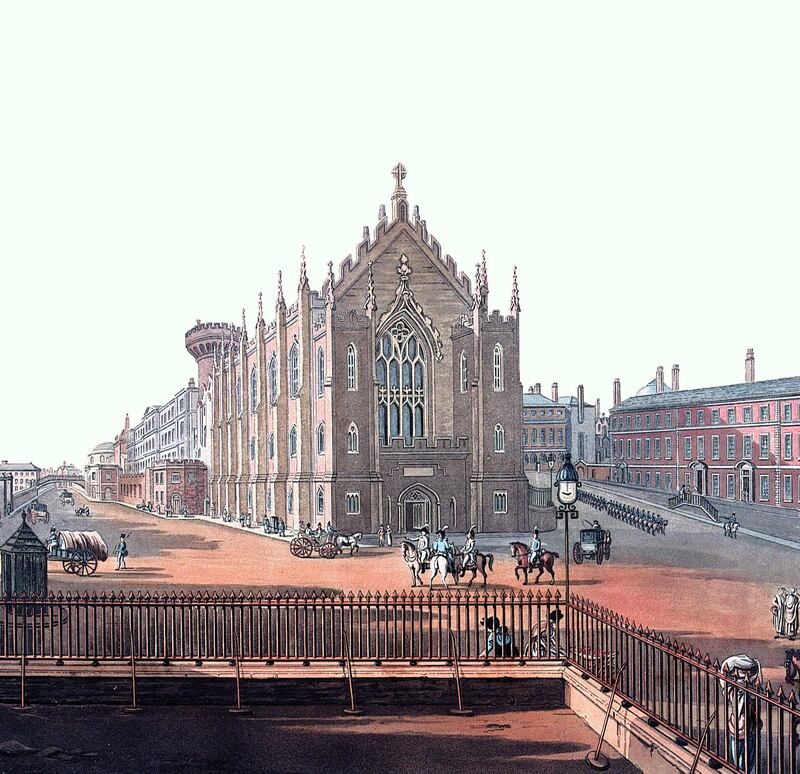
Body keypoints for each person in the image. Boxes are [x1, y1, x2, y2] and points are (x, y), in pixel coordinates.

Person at [720, 654, 762, 773]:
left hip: (750, 730)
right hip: (736, 729)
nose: (745, 676)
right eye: (742, 672)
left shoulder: (752, 690)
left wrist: (757, 666)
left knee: (747, 761)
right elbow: (723, 680)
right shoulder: (731, 690)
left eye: (748, 672)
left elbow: (759, 683)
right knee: (737, 760)